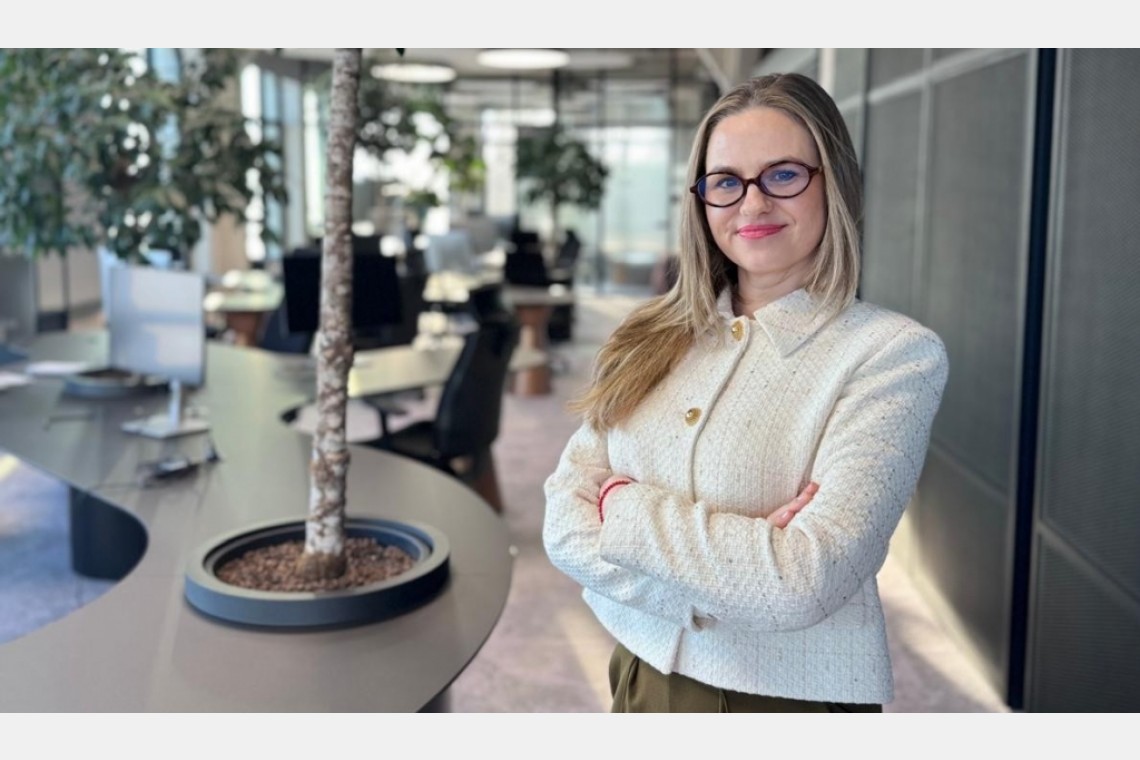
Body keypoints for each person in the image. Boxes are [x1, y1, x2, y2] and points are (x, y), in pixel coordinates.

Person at [542, 72, 949, 713]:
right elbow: (562, 527)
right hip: (639, 669)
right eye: (726, 182)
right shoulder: (646, 335)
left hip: (787, 702)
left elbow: (801, 582)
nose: (752, 205)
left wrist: (619, 504)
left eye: (783, 175)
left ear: (834, 183)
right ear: (701, 200)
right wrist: (735, 566)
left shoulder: (890, 354)